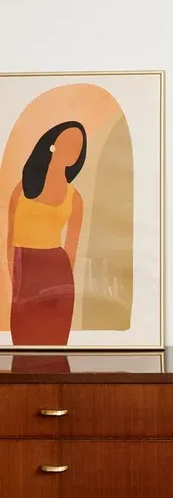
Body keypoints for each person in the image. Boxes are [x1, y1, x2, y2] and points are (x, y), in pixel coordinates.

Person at [7, 121, 86, 346]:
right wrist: (14, 277)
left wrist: (61, 289)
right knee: (23, 343)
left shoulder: (74, 197)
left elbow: (71, 249)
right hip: (25, 267)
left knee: (55, 344)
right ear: (53, 143)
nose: (73, 149)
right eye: (68, 141)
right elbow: (10, 239)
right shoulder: (22, 188)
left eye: (78, 146)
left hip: (57, 272)